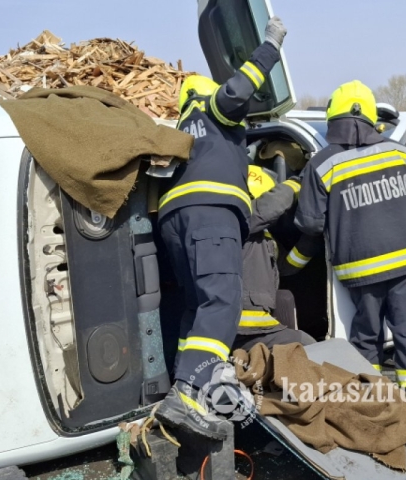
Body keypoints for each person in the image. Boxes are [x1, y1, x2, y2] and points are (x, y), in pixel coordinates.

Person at [154, 18, 287, 440]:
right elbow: (237, 91)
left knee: (196, 309)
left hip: (175, 223)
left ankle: (188, 390)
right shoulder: (212, 110)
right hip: (212, 216)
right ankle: (189, 393)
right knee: (222, 304)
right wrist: (270, 47)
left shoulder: (179, 131)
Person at [294, 80, 406, 420]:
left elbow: (310, 224)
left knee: (366, 339)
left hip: (361, 272)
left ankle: (371, 405)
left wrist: (293, 263)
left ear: (333, 119)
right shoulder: (402, 153)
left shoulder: (322, 164)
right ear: (372, 117)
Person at [231, 165, 315, 352]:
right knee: (307, 346)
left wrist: (311, 236)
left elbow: (286, 267)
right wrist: (298, 183)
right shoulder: (240, 221)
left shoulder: (263, 236)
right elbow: (270, 207)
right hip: (243, 325)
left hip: (255, 325)